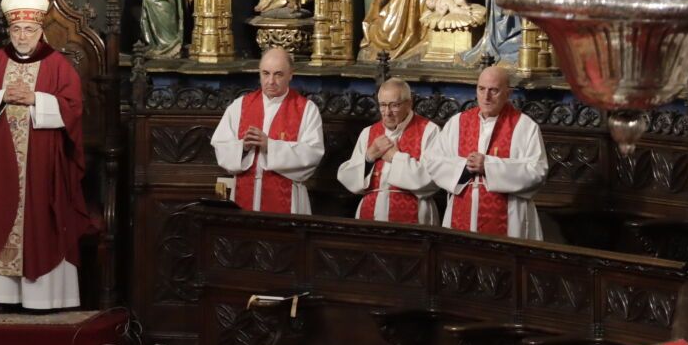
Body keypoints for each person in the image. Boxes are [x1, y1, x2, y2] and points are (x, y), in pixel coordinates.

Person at [0, 0, 94, 310]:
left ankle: (45, 297)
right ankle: (1, 295)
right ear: (10, 31)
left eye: (29, 31)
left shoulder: (58, 65)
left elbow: (74, 108)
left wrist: (37, 99)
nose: (22, 36)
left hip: (43, 164)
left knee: (42, 219)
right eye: (17, 30)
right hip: (0, 164)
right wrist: (1, 95)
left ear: (40, 31)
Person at [431, 63, 549, 238]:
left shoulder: (525, 126)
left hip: (509, 220)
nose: (486, 97)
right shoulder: (457, 123)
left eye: (494, 90)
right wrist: (465, 167)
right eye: (481, 89)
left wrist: (489, 166)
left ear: (508, 93)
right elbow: (434, 161)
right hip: (462, 213)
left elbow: (538, 171)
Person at [210, 47, 325, 213]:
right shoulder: (240, 106)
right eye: (265, 73)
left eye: (278, 74)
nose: (271, 81)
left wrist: (270, 146)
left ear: (291, 74)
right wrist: (243, 148)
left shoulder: (306, 109)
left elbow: (313, 153)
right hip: (243, 196)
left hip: (288, 199)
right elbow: (221, 147)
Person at [336, 77, 442, 223]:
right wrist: (368, 158)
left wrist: (396, 157)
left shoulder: (430, 131)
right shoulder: (368, 133)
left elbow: (432, 180)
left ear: (409, 103)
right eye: (383, 105)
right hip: (370, 217)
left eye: (394, 105)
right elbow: (349, 179)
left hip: (415, 218)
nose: (387, 112)